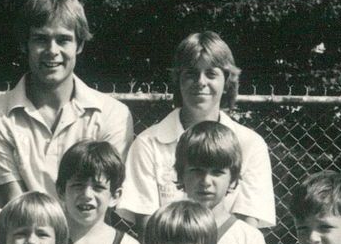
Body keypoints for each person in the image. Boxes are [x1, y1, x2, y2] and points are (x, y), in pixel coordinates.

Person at [0, 0, 133, 203]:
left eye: (63, 39)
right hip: (25, 224)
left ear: (79, 45)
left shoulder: (113, 115)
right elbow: (15, 203)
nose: (52, 50)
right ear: (25, 44)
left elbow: (99, 200)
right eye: (41, 39)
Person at [119, 30, 277, 230]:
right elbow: (148, 229)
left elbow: (247, 229)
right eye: (191, 74)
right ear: (178, 80)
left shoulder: (250, 144)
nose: (201, 81)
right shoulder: (148, 143)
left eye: (211, 74)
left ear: (227, 82)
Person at [175, 122, 272, 244]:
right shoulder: (168, 230)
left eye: (217, 172)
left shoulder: (249, 238)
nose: (206, 181)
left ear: (233, 179)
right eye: (197, 171)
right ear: (181, 174)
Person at [55, 139, 151, 244]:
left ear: (115, 196)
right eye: (78, 185)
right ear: (61, 191)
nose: (87, 195)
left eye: (98, 187)